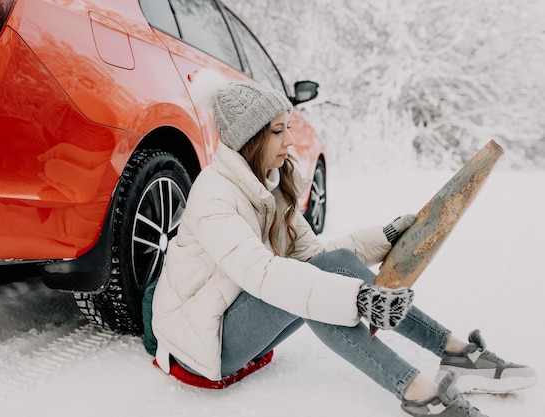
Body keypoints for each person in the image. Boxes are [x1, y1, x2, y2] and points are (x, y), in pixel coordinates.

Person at [149, 80, 536, 416]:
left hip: (234, 314)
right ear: (250, 137)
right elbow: (262, 275)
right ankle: (420, 393)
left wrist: (384, 237)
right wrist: (358, 298)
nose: (290, 140)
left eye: (289, 128)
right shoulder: (214, 196)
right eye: (278, 131)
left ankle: (455, 352)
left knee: (326, 272)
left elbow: (316, 257)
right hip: (203, 345)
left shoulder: (269, 183)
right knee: (315, 291)